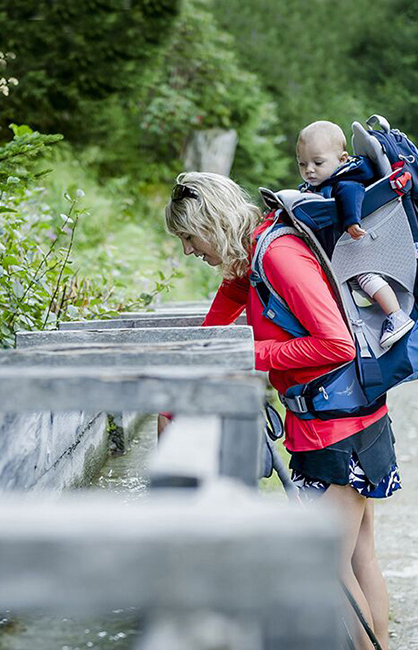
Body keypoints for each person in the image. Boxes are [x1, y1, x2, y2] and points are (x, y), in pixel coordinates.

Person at [165, 171, 398, 650]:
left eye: (189, 236)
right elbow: (215, 330)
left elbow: (336, 343)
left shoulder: (278, 256)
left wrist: (252, 358)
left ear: (212, 222)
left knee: (329, 565)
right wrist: (180, 389)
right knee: (357, 557)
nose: (189, 249)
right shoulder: (248, 263)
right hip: (342, 418)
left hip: (341, 428)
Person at [297, 119, 414, 348]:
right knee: (358, 282)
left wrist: (352, 221)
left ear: (341, 160)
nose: (309, 170)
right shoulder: (324, 181)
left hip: (364, 241)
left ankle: (397, 315)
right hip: (353, 245)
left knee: (366, 277)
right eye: (302, 164)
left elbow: (352, 192)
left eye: (317, 162)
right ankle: (383, 315)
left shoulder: (345, 179)